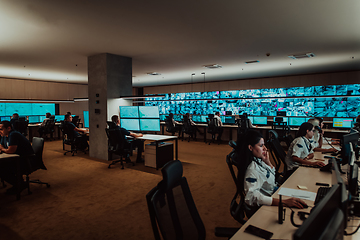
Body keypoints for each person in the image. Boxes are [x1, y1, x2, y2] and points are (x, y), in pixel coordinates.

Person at [238, 130, 306, 211]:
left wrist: (268, 162)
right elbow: (251, 197)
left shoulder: (258, 160)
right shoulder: (252, 169)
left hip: (274, 193)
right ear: (250, 147)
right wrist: (283, 202)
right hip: (268, 203)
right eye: (261, 145)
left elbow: (271, 177)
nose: (265, 148)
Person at [0, 120, 34, 194]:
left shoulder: (13, 134)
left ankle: (20, 185)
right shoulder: (5, 135)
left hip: (26, 160)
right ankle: (19, 184)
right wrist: (4, 149)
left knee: (2, 169)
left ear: (8, 128)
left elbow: (11, 151)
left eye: (1, 129)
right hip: (17, 158)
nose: (0, 131)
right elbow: (1, 145)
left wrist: (3, 149)